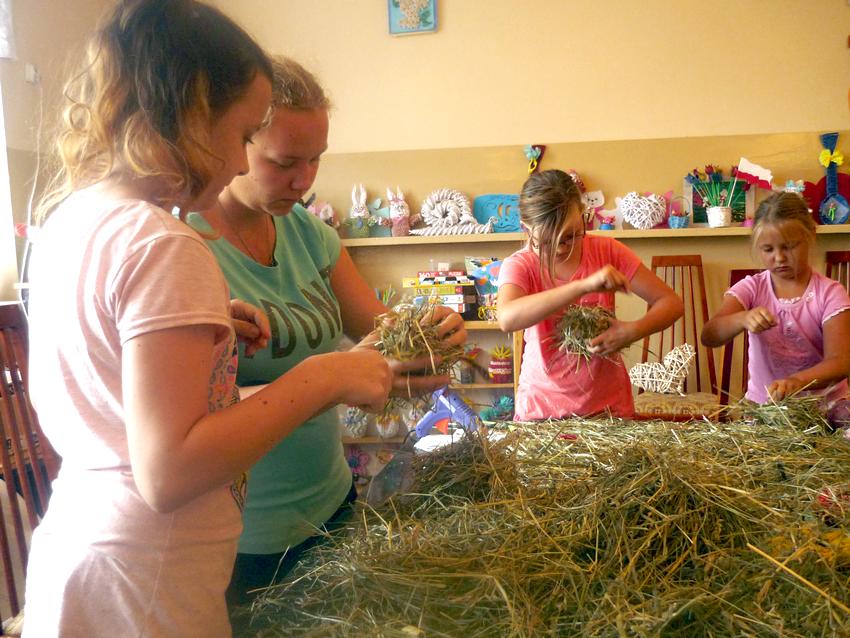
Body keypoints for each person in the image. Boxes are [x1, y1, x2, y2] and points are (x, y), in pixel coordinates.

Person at [23, 3, 393, 636]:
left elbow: (107, 381)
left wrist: (200, 326)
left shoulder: (72, 219)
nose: (235, 164)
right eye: (243, 135)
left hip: (86, 549)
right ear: (194, 118)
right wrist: (327, 377)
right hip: (153, 576)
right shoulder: (167, 243)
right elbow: (168, 472)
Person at [187, 56, 467, 607]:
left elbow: (385, 329)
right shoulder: (185, 248)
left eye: (316, 160)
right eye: (285, 161)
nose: (305, 180)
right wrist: (329, 378)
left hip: (331, 502)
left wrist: (431, 328)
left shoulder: (308, 233)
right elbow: (190, 420)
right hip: (245, 534)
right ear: (233, 140)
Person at [497, 169, 683, 419]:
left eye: (572, 235)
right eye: (548, 242)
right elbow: (507, 318)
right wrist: (582, 286)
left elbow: (671, 303)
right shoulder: (521, 264)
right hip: (543, 414)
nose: (562, 248)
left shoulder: (607, 251)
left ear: (582, 215)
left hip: (607, 411)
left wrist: (632, 330)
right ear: (526, 229)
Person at [701, 192, 850, 425]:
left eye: (789, 247)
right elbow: (710, 334)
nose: (779, 258)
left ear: (810, 235)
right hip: (766, 411)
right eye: (768, 249)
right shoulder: (751, 288)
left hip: (827, 411)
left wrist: (797, 381)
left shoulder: (830, 293)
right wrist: (741, 318)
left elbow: (841, 361)